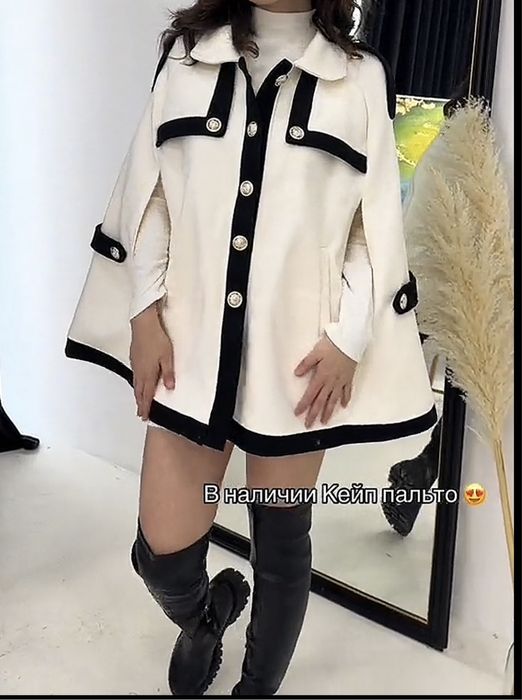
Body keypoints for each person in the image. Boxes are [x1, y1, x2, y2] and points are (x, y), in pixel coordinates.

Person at [65, 0, 438, 694]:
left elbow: (374, 227)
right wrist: (144, 313)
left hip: (301, 358)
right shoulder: (188, 56)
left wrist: (349, 338)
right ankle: (205, 618)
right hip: (189, 347)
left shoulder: (359, 77)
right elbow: (150, 196)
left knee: (281, 547)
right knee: (161, 554)